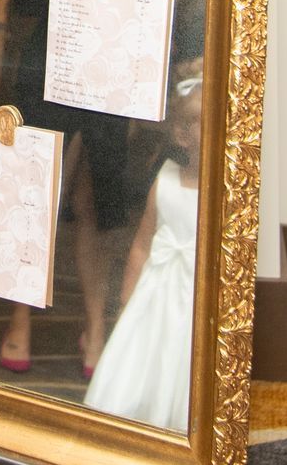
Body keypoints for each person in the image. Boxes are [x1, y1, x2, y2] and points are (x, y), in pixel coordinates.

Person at [0, 0, 142, 377]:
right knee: (40, 197)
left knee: (92, 204)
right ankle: (21, 320)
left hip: (104, 78)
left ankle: (94, 329)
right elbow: (27, 2)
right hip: (53, 71)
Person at [82, 71, 203, 431]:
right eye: (204, 123)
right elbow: (141, 245)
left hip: (194, 300)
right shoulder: (165, 181)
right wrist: (126, 302)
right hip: (156, 296)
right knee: (145, 358)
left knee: (181, 364)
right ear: (183, 134)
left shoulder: (226, 193)